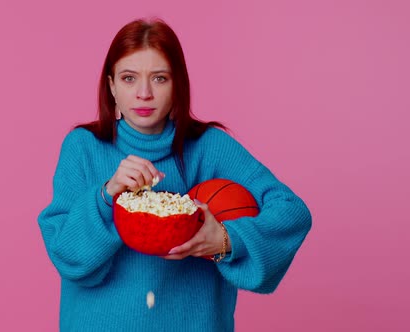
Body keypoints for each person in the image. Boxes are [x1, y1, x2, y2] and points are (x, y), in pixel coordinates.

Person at [38, 18, 312, 332]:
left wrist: (225, 240)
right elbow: (67, 255)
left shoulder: (210, 148)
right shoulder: (82, 148)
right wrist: (106, 195)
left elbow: (291, 211)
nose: (144, 93)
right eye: (129, 78)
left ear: (177, 85)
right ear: (111, 86)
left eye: (159, 78)